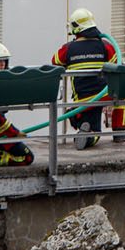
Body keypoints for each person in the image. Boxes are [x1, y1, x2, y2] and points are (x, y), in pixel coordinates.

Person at [52, 8, 117, 148]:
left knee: (86, 121)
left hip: (81, 99)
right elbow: (117, 66)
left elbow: (55, 61)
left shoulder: (68, 48)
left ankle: (81, 126)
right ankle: (119, 134)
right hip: (102, 95)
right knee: (97, 130)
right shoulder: (106, 45)